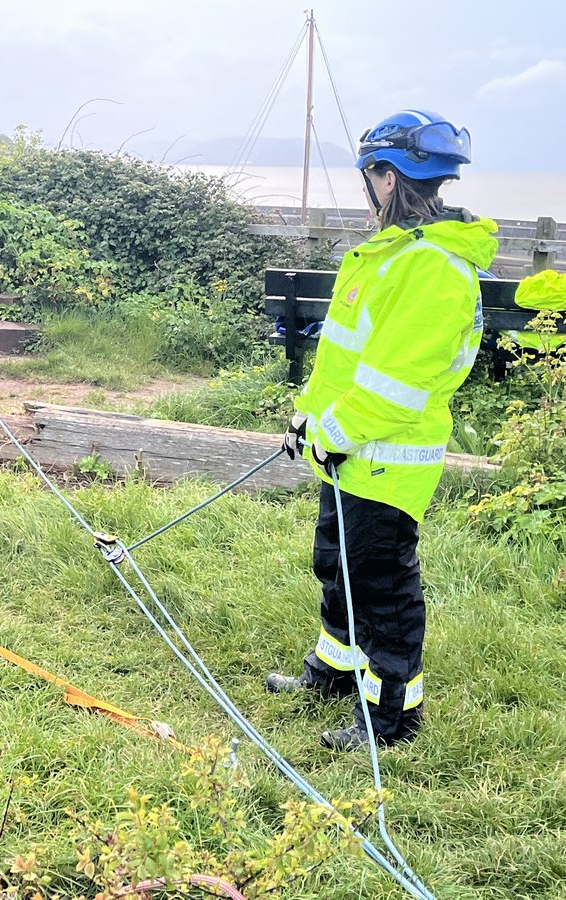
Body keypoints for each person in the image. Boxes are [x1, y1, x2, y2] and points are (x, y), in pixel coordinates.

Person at [269, 110, 499, 751]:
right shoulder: (384, 256)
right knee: (337, 566)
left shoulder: (432, 270)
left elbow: (395, 386)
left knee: (382, 587)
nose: (368, 184)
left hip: (385, 461)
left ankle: (391, 717)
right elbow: (342, 359)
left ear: (390, 179)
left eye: (371, 172)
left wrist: (333, 432)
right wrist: (306, 417)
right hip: (348, 452)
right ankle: (334, 672)